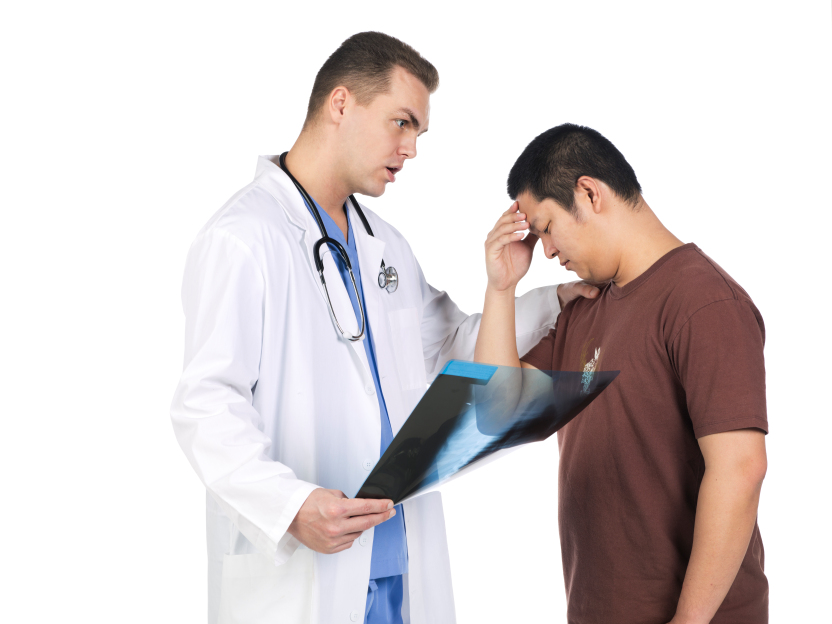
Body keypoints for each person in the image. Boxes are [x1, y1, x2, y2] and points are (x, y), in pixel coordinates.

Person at [170, 33, 593, 624]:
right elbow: (206, 404)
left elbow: (449, 349)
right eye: (402, 123)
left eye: (419, 132)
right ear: (341, 104)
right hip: (303, 570)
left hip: (394, 559)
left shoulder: (384, 245)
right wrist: (291, 507)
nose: (411, 148)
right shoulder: (242, 238)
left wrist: (540, 298)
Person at [474, 124, 768, 624]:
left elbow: (740, 469)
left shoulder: (704, 301)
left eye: (546, 228)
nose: (547, 252)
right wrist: (500, 289)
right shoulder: (584, 307)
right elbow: (497, 416)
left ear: (589, 194)